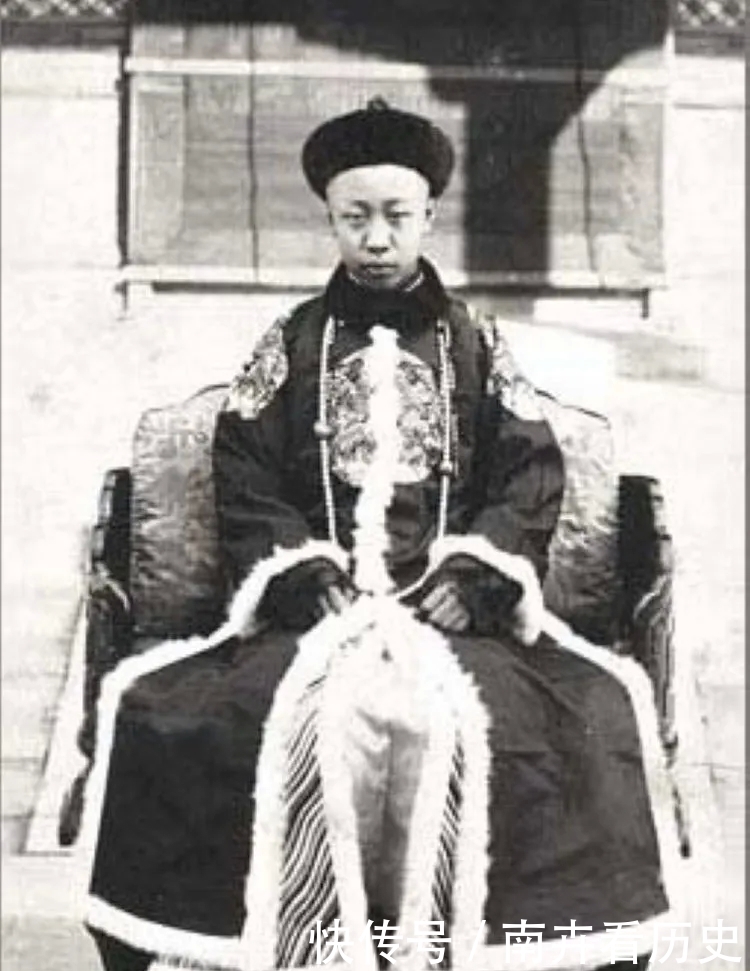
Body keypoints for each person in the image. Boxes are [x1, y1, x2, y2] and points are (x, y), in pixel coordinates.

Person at [80, 99, 678, 971]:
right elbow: (243, 467)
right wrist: (298, 570)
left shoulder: (474, 341)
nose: (376, 238)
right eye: (354, 217)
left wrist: (477, 573)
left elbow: (529, 470)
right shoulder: (292, 341)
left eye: (396, 216)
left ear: (428, 215)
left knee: (571, 716)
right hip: (318, 614)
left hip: (447, 616)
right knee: (188, 716)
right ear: (330, 219)